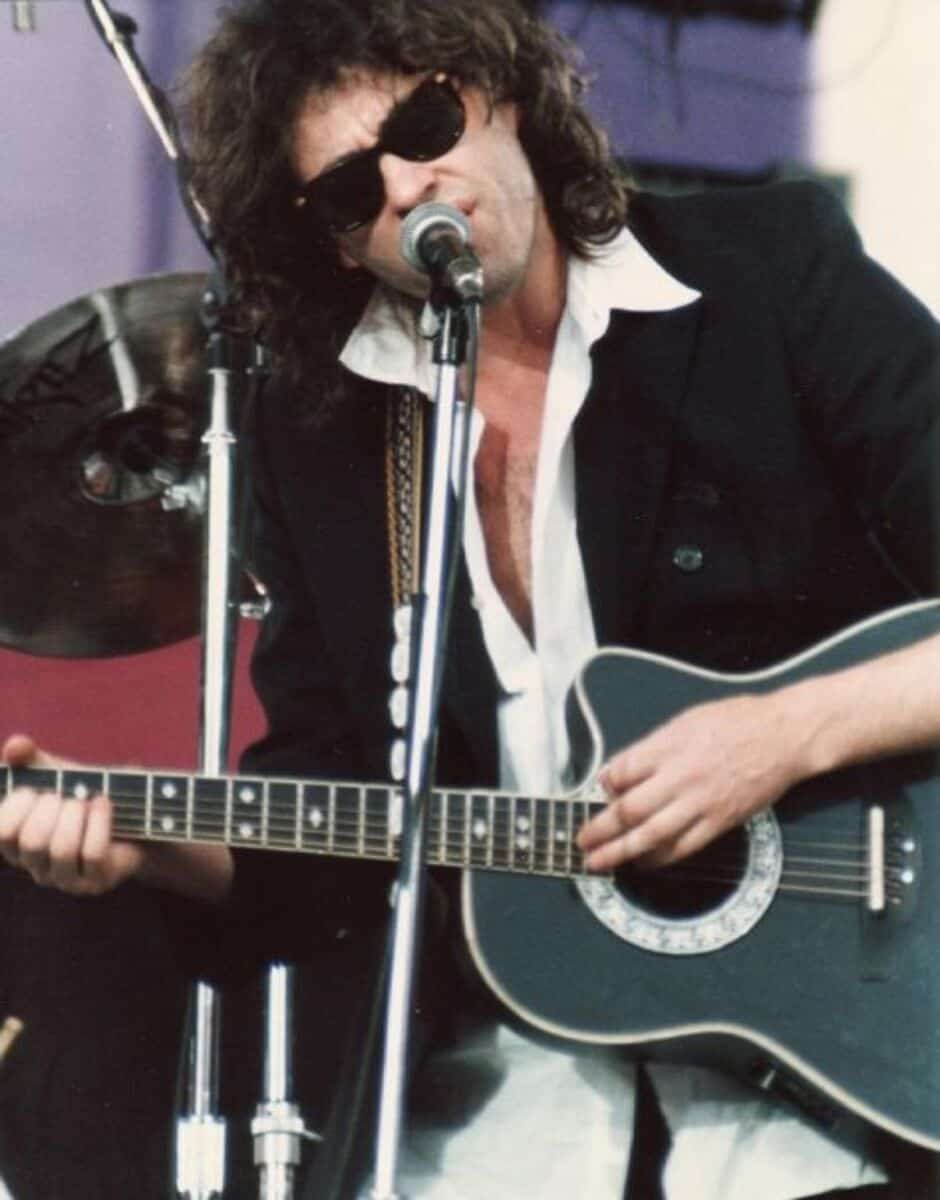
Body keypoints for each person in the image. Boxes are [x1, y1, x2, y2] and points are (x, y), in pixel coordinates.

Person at [2, 0, 939, 1196]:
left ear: (502, 95)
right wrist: (138, 848)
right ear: (337, 247)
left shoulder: (766, 275)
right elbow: (335, 836)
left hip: (829, 1088)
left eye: (424, 125)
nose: (406, 187)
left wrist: (782, 734)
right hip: (499, 1117)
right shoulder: (323, 435)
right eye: (350, 192)